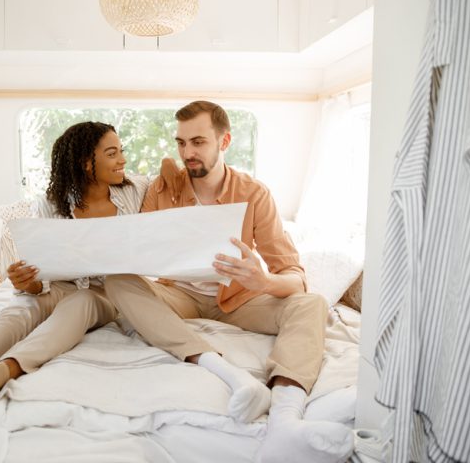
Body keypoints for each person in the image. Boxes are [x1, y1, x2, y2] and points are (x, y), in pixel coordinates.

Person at [103, 101, 354, 463]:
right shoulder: (163, 188)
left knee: (312, 303)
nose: (188, 152)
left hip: (240, 300)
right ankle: (219, 367)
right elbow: (140, 254)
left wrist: (264, 280)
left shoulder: (254, 194)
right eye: (181, 143)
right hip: (179, 296)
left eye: (199, 142)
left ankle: (285, 419)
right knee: (119, 282)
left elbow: (295, 278)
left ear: (225, 142)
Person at [0, 121, 149, 418]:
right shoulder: (50, 204)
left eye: (121, 151)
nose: (122, 160)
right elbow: (43, 270)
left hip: (107, 292)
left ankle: (5, 370)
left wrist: (170, 163)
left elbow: (172, 174)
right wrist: (27, 282)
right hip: (58, 285)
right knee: (20, 309)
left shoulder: (133, 191)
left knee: (82, 301)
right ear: (85, 163)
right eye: (112, 153)